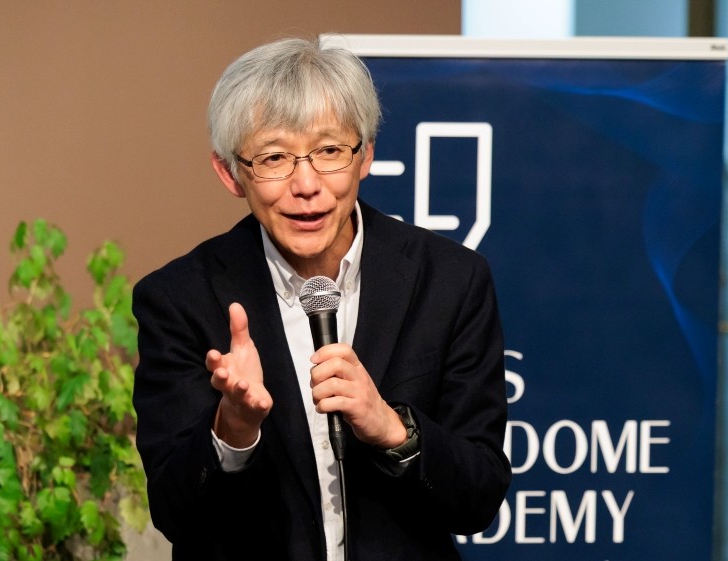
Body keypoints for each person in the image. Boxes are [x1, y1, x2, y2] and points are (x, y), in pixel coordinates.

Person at [132, 36, 510, 561]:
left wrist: (391, 427)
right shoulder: (180, 299)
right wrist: (232, 429)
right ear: (231, 173)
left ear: (365, 155)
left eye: (329, 151)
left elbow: (479, 497)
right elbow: (175, 515)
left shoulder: (450, 281)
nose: (306, 184)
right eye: (274, 157)